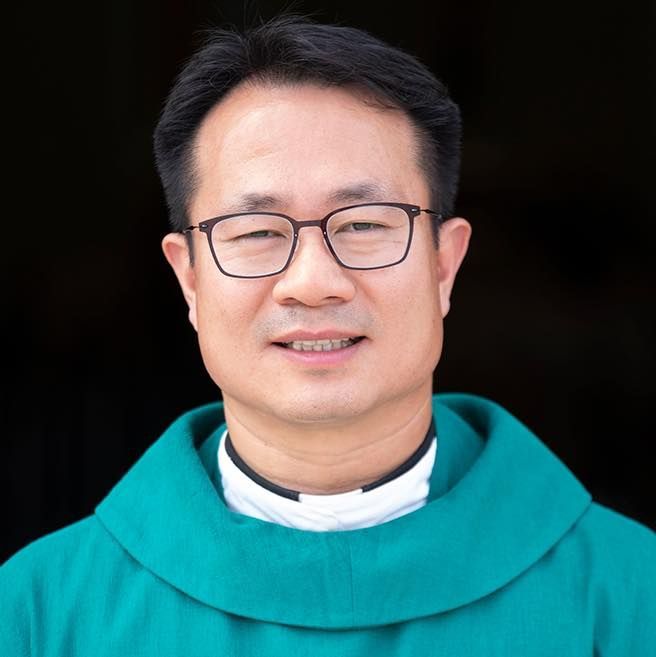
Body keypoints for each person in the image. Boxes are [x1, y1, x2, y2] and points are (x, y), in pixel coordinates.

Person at [1, 14, 654, 656]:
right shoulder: (37, 614)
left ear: (444, 265)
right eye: (258, 232)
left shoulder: (629, 596)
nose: (313, 283)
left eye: (364, 224)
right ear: (189, 279)